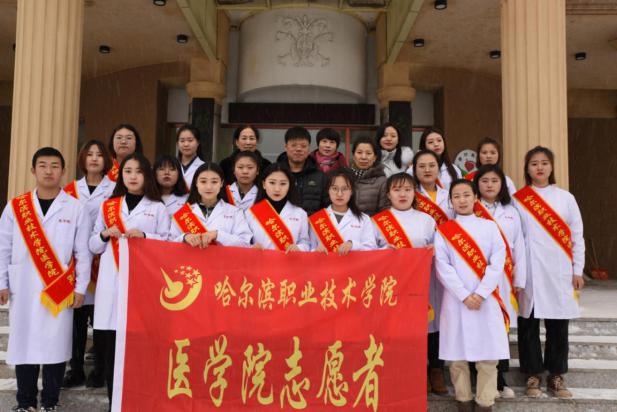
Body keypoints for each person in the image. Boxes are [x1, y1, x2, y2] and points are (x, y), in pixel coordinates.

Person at [0, 147, 92, 412]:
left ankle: (50, 402)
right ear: (33, 170)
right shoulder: (16, 207)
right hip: (23, 286)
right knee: (24, 343)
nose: (48, 171)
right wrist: (2, 283)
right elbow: (3, 246)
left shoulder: (76, 208)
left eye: (54, 166)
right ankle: (25, 402)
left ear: (63, 171)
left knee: (55, 345)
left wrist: (80, 288)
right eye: (42, 165)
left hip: (59, 289)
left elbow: (82, 253)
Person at [89, 153, 170, 408]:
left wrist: (145, 236)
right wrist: (104, 234)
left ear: (147, 176)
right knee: (113, 349)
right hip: (112, 284)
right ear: (121, 176)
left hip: (142, 285)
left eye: (139, 171)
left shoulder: (158, 208)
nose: (133, 176)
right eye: (128, 171)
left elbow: (168, 244)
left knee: (139, 349)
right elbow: (93, 245)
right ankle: (115, 403)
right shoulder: (108, 206)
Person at [513, 146, 585, 399]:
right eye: (534, 163)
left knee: (558, 324)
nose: (540, 167)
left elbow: (577, 236)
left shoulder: (566, 198)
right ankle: (532, 374)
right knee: (528, 324)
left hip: (558, 270)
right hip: (531, 271)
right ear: (527, 168)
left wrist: (577, 269)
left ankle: (556, 375)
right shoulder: (518, 199)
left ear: (552, 166)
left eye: (544, 163)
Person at [435, 179, 509, 412]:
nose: (462, 200)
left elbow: (498, 262)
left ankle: (485, 402)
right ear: (451, 201)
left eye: (466, 195)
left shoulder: (490, 227)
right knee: (457, 356)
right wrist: (464, 295)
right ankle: (463, 400)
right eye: (456, 196)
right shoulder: (444, 231)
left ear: (476, 197)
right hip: (456, 300)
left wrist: (480, 293)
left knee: (488, 356)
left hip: (486, 300)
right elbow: (442, 266)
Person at [61, 140, 113, 390]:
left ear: (106, 160)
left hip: (105, 262)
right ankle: (76, 369)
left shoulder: (115, 190)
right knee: (76, 321)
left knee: (101, 321)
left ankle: (100, 370)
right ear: (82, 159)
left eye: (99, 154)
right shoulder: (70, 190)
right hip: (78, 262)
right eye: (89, 154)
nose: (94, 158)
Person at [473, 164, 527, 399]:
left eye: (494, 181)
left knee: (499, 328)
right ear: (477, 184)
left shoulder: (511, 211)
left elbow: (519, 246)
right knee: (478, 326)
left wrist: (520, 278)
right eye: (484, 181)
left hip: (504, 279)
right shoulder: (470, 208)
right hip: (476, 277)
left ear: (502, 185)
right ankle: (480, 377)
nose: (489, 185)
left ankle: (500, 378)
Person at [410, 149, 455, 394]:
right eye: (422, 166)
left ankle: (437, 369)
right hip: (416, 267)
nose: (427, 170)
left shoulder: (451, 195)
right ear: (414, 170)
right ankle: (420, 368)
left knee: (439, 317)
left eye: (431, 165)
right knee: (419, 318)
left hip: (446, 264)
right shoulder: (409, 194)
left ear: (439, 168)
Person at [169, 162, 252, 248]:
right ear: (196, 183)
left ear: (221, 183)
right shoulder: (182, 214)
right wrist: (184, 237)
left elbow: (245, 243)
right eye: (203, 181)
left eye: (214, 182)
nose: (208, 187)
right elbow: (169, 245)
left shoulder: (235, 212)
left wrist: (217, 235)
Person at [309, 168, 376, 254]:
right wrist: (316, 251)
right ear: (328, 190)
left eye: (345, 189)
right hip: (325, 262)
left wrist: (352, 245)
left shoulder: (364, 219)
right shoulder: (317, 219)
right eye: (335, 188)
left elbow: (372, 249)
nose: (339, 194)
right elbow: (309, 250)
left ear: (352, 191)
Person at [246, 163, 311, 252]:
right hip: (259, 260)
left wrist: (299, 248)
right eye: (272, 183)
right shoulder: (250, 213)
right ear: (264, 184)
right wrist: (251, 247)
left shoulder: (300, 213)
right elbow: (243, 241)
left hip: (289, 260)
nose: (277, 189)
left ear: (289, 185)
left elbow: (306, 243)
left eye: (283, 184)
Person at [373, 172, 436, 249]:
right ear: (389, 195)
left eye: (407, 189)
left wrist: (435, 248)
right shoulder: (376, 222)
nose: (402, 194)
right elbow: (368, 252)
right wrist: (384, 250)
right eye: (396, 190)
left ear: (414, 193)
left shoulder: (427, 220)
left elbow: (440, 249)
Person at [276, 126, 329, 216]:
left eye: (303, 146)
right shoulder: (275, 173)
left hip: (310, 224)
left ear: (308, 148)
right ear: (286, 147)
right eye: (294, 145)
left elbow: (327, 208)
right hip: (280, 224)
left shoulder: (321, 177)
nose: (298, 149)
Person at [350, 136, 388, 216]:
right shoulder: (345, 178)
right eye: (359, 152)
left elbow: (384, 211)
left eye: (368, 153)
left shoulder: (382, 181)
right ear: (353, 156)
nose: (363, 157)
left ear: (375, 158)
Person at [106, 123, 144, 190]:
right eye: (119, 137)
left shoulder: (144, 169)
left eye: (129, 138)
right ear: (112, 142)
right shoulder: (104, 167)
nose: (123, 142)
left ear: (136, 143)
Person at [176, 125, 205, 189]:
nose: (186, 144)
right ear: (177, 144)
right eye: (182, 141)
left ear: (198, 142)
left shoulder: (204, 167)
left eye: (190, 140)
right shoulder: (173, 165)